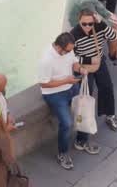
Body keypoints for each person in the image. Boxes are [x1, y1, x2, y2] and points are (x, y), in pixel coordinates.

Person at [71, 8, 117, 145]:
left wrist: (102, 24)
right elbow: (71, 58)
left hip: (99, 62)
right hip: (84, 68)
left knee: (107, 87)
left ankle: (110, 115)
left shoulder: (99, 27)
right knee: (86, 96)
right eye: (84, 24)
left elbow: (113, 37)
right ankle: (82, 135)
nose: (87, 27)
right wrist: (88, 61)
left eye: (90, 24)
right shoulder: (74, 34)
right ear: (79, 21)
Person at [37, 32, 83, 170]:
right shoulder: (46, 60)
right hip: (54, 94)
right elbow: (44, 84)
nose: (70, 52)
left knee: (83, 112)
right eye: (68, 50)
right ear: (58, 47)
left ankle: (82, 140)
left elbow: (74, 62)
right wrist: (66, 80)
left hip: (71, 87)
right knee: (67, 123)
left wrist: (80, 68)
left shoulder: (68, 50)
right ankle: (62, 153)